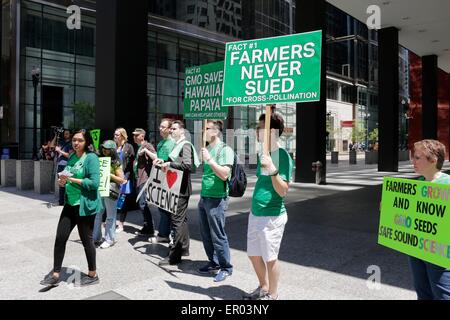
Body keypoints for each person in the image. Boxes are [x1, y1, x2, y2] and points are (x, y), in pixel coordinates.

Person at [40, 130, 103, 287]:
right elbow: (66, 176)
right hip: (70, 204)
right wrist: (62, 181)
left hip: (85, 205)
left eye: (80, 140)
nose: (76, 143)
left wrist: (72, 179)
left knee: (86, 240)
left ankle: (93, 274)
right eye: (74, 140)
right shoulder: (72, 157)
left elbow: (94, 183)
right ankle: (55, 274)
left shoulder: (91, 158)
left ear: (86, 142)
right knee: (60, 237)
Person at [243, 113, 293, 300]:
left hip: (272, 215)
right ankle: (263, 287)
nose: (257, 130)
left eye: (261, 127)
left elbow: (283, 190)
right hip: (256, 212)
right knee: (253, 254)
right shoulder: (263, 153)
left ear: (272, 131)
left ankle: (273, 294)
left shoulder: (282, 155)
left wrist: (273, 170)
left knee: (270, 258)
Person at [409, 139, 450, 300]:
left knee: (442, 293)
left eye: (418, 157)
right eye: (414, 157)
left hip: (440, 251)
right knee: (423, 291)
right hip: (417, 247)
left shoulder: (447, 184)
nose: (413, 161)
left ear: (433, 160)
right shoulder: (417, 183)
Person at [157, 120, 200, 265]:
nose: (171, 131)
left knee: (177, 222)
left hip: (181, 189)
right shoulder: (178, 145)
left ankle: (174, 256)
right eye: (171, 129)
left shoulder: (185, 145)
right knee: (182, 221)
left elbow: (188, 166)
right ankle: (184, 249)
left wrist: (169, 164)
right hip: (178, 187)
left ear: (182, 131)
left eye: (174, 129)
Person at [198, 120, 234, 282]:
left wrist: (210, 160)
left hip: (217, 198)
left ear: (215, 131)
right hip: (204, 196)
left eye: (206, 129)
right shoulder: (207, 148)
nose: (203, 132)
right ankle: (214, 262)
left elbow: (225, 174)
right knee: (205, 233)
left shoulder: (225, 150)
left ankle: (226, 267)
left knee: (218, 234)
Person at [93, 140, 126, 249]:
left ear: (112, 150)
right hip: (100, 189)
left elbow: (121, 179)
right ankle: (96, 237)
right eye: (103, 148)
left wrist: (109, 174)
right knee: (98, 214)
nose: (104, 150)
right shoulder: (99, 158)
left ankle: (109, 239)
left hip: (111, 190)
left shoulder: (116, 162)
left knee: (110, 216)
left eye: (107, 148)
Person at [153, 119, 176, 243]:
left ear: (169, 129)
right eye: (160, 126)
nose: (160, 129)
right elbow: (159, 158)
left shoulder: (173, 143)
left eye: (163, 127)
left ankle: (171, 234)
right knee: (162, 207)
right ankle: (163, 234)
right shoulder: (160, 143)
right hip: (160, 179)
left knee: (170, 207)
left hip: (171, 179)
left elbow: (174, 161)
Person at [132, 128, 158, 238]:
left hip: (144, 179)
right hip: (138, 178)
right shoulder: (138, 147)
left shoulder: (147, 146)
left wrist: (146, 151)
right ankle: (147, 226)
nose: (134, 137)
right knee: (141, 203)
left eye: (136, 135)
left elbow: (156, 157)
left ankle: (149, 228)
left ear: (142, 136)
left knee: (143, 203)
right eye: (133, 135)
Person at [114, 128, 135, 233]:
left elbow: (131, 165)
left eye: (117, 135)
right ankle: (112, 222)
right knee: (112, 200)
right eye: (115, 134)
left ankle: (121, 225)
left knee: (122, 202)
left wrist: (126, 178)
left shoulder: (128, 147)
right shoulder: (113, 147)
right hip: (114, 177)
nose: (115, 136)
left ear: (122, 135)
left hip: (124, 178)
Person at [50, 129, 74, 205]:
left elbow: (69, 155)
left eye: (67, 134)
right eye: (64, 134)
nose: (65, 135)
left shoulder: (71, 144)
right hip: (60, 164)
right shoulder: (61, 142)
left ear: (70, 134)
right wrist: (55, 136)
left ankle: (66, 201)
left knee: (66, 184)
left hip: (66, 165)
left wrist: (60, 151)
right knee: (61, 183)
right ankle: (61, 201)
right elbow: (52, 145)